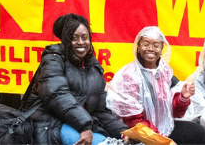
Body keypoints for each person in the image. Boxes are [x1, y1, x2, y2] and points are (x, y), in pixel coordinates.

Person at [19, 13, 127, 145]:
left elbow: (101, 112)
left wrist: (123, 132)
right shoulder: (53, 59)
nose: (81, 42)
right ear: (66, 40)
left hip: (81, 124)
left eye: (85, 38)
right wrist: (84, 126)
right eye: (74, 38)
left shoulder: (93, 67)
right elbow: (57, 95)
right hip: (49, 124)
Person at [106, 27, 194, 142]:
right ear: (138, 46)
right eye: (146, 44)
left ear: (162, 48)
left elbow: (172, 112)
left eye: (156, 45)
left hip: (162, 129)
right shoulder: (129, 75)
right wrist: (159, 138)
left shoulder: (164, 71)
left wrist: (183, 98)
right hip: (137, 133)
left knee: (197, 132)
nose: (151, 49)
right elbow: (133, 120)